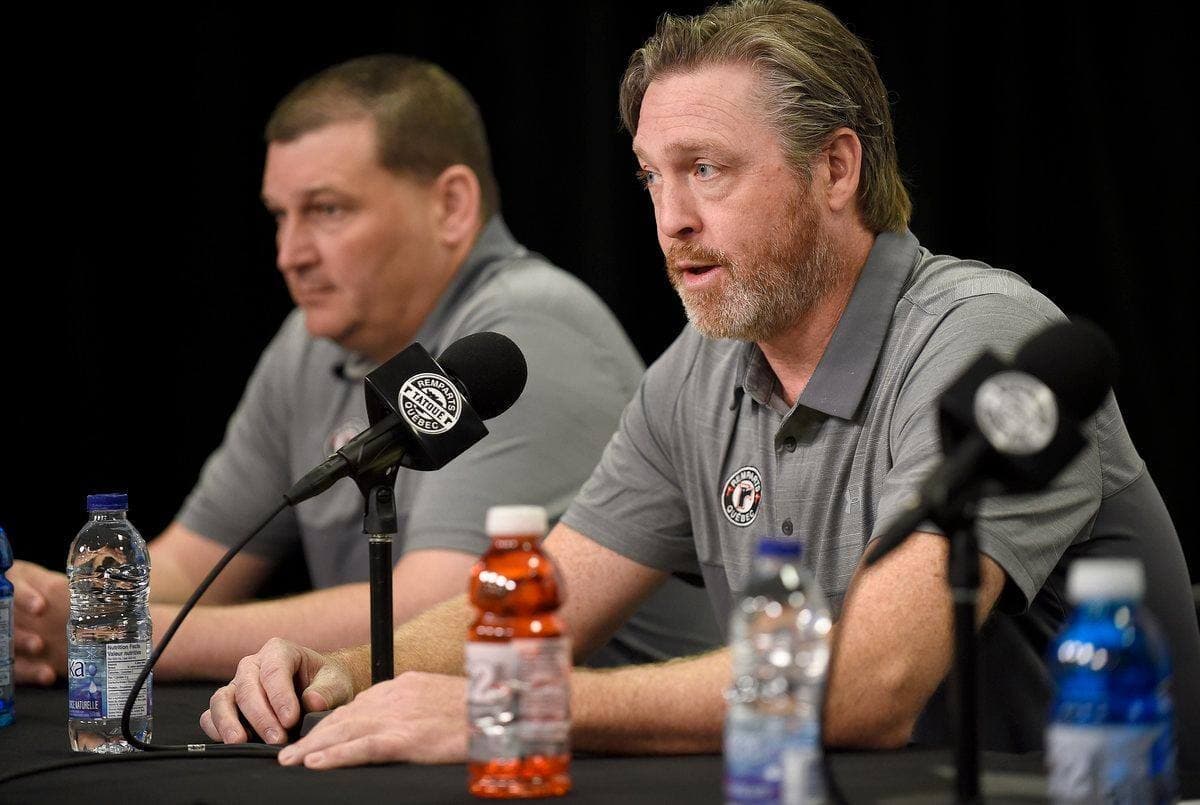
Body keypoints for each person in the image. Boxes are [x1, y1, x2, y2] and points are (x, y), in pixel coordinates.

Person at [201, 0, 1199, 770]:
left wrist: (517, 702)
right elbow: (540, 599)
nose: (670, 218)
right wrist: (350, 668)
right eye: (650, 178)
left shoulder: (983, 337)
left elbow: (874, 684)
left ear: (836, 167)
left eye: (707, 170)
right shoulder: (700, 370)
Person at [7, 55, 722, 690]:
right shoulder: (310, 343)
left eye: (326, 211)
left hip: (603, 754)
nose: (290, 253)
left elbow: (430, 607)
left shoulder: (527, 334)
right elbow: (194, 565)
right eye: (280, 217)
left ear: (451, 206)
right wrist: (47, 604)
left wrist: (112, 631)